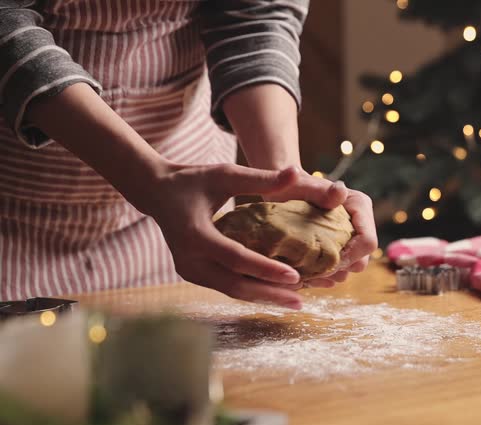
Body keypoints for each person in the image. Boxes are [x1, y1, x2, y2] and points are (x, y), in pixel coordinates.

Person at [0, 0, 377, 309]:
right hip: (13, 222)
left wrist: (287, 187)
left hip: (184, 221)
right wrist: (152, 181)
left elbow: (254, 14)